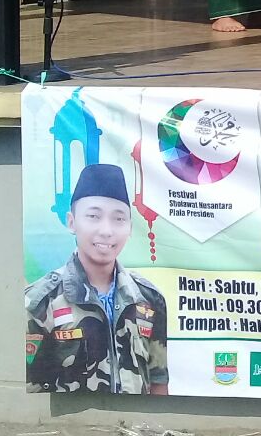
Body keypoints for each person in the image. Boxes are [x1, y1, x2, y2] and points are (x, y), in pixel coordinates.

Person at [26, 163, 168, 394]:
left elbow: (158, 381)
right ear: (71, 222)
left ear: (130, 227)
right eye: (93, 216)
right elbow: (28, 390)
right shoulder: (40, 302)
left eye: (119, 219)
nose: (106, 231)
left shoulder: (149, 299)